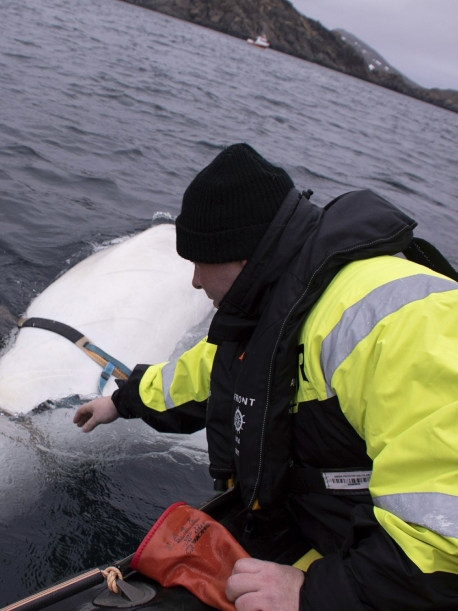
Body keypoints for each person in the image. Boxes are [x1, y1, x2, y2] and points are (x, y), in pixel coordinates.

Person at [73, 143, 458, 611]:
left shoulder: (405, 324)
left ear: (242, 258)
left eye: (200, 262)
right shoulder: (281, 299)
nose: (194, 281)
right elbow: (210, 373)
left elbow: (443, 541)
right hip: (328, 529)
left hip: (386, 574)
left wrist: (312, 594)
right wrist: (124, 400)